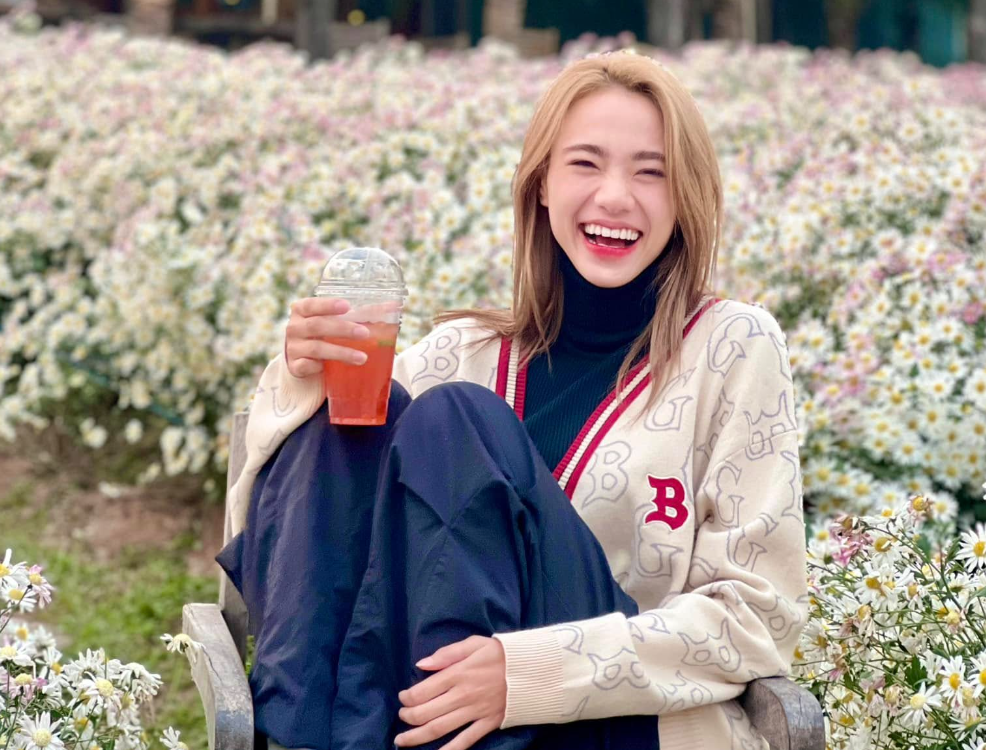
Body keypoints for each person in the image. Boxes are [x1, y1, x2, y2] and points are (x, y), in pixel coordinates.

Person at [217, 50, 809, 750]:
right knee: (341, 432)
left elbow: (756, 618)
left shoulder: (733, 348)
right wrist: (306, 377)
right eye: (585, 164)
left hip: (617, 724)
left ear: (686, 197)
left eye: (651, 172)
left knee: (454, 417)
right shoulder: (464, 352)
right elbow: (296, 536)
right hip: (428, 721)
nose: (615, 196)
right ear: (541, 185)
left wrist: (524, 673)